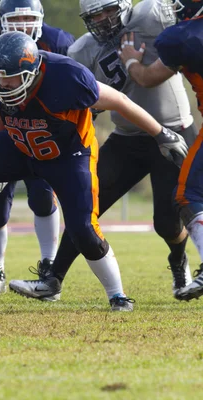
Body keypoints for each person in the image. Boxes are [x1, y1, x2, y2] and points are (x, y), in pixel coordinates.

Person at [0, 31, 188, 311]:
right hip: (20, 145)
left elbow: (120, 102)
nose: (4, 84)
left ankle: (117, 295)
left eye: (11, 77)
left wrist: (161, 133)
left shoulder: (66, 76)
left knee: (83, 228)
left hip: (69, 155)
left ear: (33, 70)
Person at [9, 0, 196, 302]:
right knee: (83, 207)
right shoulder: (82, 51)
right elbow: (83, 103)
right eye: (95, 14)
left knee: (166, 222)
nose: (103, 19)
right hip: (126, 138)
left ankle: (178, 260)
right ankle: (52, 279)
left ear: (123, 6)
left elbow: (188, 22)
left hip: (172, 131)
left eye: (109, 10)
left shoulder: (150, 17)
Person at [0, 0, 76, 296]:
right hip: (0, 125)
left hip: (42, 130)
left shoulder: (57, 41)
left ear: (40, 18)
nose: (23, 26)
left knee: (43, 198)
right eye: (15, 20)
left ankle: (49, 262)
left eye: (29, 18)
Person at [117, 0, 203, 301]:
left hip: (182, 126)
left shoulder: (183, 37)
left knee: (187, 195)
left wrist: (130, 61)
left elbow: (146, 78)